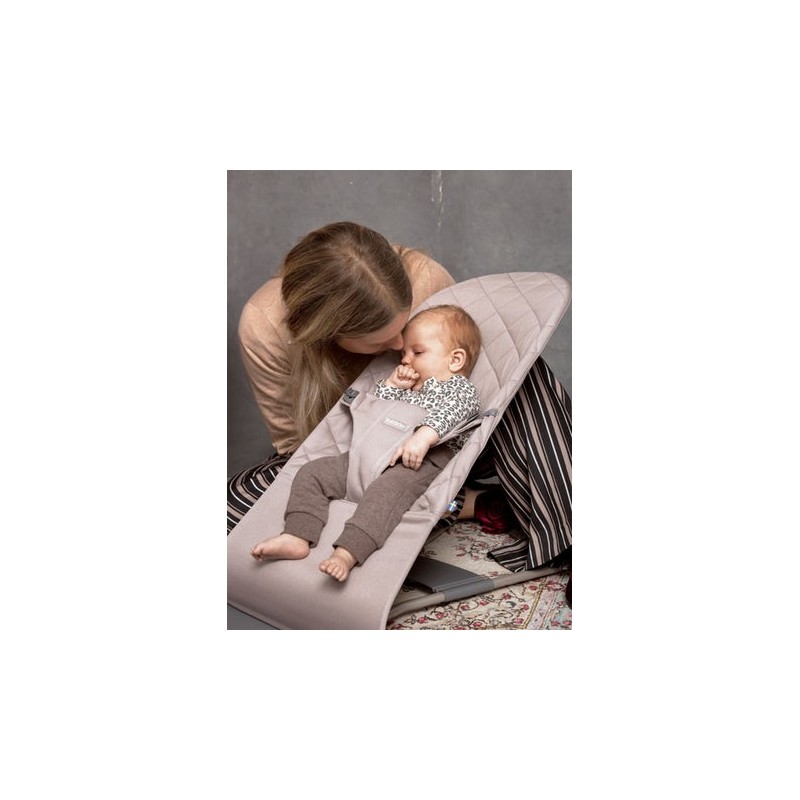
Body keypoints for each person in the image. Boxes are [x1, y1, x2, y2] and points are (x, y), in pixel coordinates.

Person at [228, 221, 572, 597]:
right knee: (242, 496)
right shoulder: (264, 325)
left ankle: (566, 528)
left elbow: (465, 383)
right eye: (379, 341)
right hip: (356, 451)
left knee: (528, 374)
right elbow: (297, 447)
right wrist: (384, 400)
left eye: (408, 336)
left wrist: (424, 435)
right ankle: (462, 505)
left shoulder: (426, 279)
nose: (398, 348)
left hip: (438, 457)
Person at [250, 305, 481, 582]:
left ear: (455, 360)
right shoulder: (408, 386)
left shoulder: (457, 388)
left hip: (416, 463)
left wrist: (423, 436)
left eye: (417, 352)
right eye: (403, 355)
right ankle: (297, 534)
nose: (406, 360)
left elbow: (456, 410)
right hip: (368, 453)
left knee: (385, 495)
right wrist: (392, 386)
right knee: (312, 473)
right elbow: (375, 412)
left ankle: (348, 552)